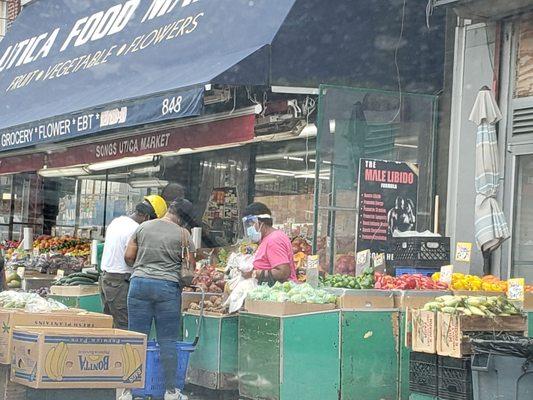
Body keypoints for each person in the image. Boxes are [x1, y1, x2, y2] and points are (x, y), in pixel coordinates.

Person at [122, 200, 196, 400]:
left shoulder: (143, 227)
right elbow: (190, 269)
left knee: (136, 339)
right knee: (167, 340)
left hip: (139, 285)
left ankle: (128, 391)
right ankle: (171, 391)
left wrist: (144, 264)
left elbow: (128, 256)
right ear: (183, 218)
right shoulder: (183, 235)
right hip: (167, 288)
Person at [100, 195, 167, 330]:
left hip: (107, 280)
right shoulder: (135, 229)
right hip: (120, 283)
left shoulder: (117, 221)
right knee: (125, 328)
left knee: (111, 328)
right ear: (147, 217)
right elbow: (129, 258)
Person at [243, 202, 297, 284]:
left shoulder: (274, 240)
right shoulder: (266, 238)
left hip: (277, 293)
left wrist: (254, 273)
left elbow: (283, 272)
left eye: (251, 225)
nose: (249, 229)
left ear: (260, 223)